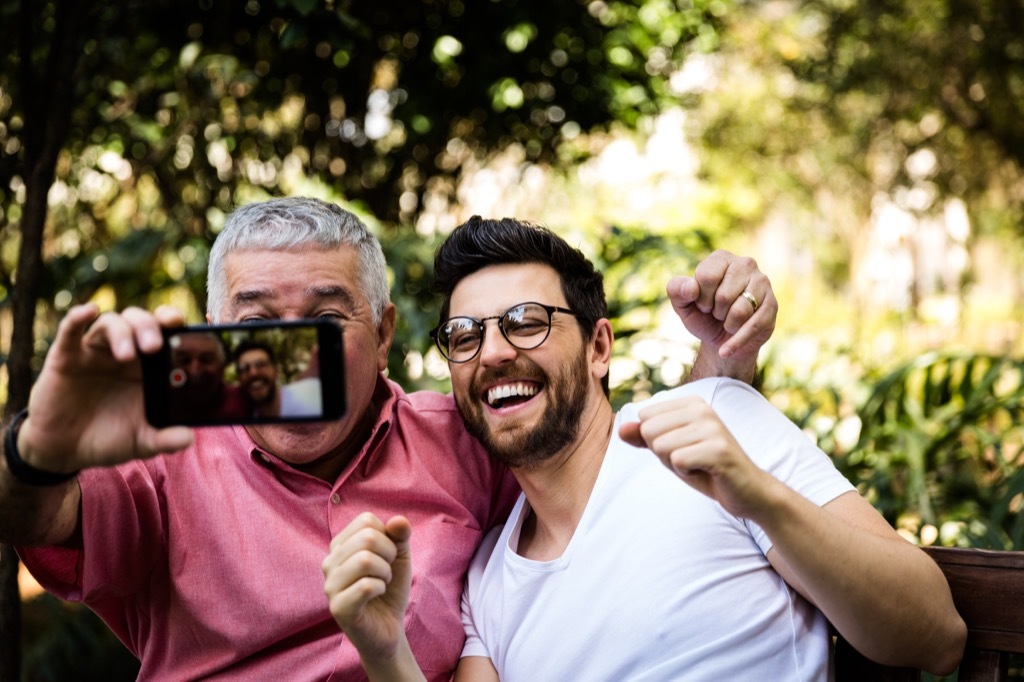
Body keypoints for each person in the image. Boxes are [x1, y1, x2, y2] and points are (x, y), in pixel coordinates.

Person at [0, 197, 774, 680]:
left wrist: (722, 366)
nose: (290, 353)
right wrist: (39, 447)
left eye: (327, 319)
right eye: (257, 325)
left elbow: (624, 466)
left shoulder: (465, 434)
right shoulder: (159, 459)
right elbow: (32, 518)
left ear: (385, 332)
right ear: (216, 335)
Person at [321, 216, 968, 680]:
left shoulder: (713, 423)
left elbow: (936, 637)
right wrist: (386, 655)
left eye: (526, 322)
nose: (491, 352)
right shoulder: (488, 581)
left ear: (599, 347)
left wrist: (762, 500)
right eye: (464, 335)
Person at [167, 330, 248, 422]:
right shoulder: (159, 402)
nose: (195, 371)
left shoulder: (244, 401)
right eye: (185, 360)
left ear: (222, 367)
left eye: (206, 360)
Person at [234, 339, 323, 418]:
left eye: (260, 365)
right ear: (239, 378)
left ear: (276, 371)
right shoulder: (245, 420)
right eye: (244, 368)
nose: (253, 373)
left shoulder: (313, 398)